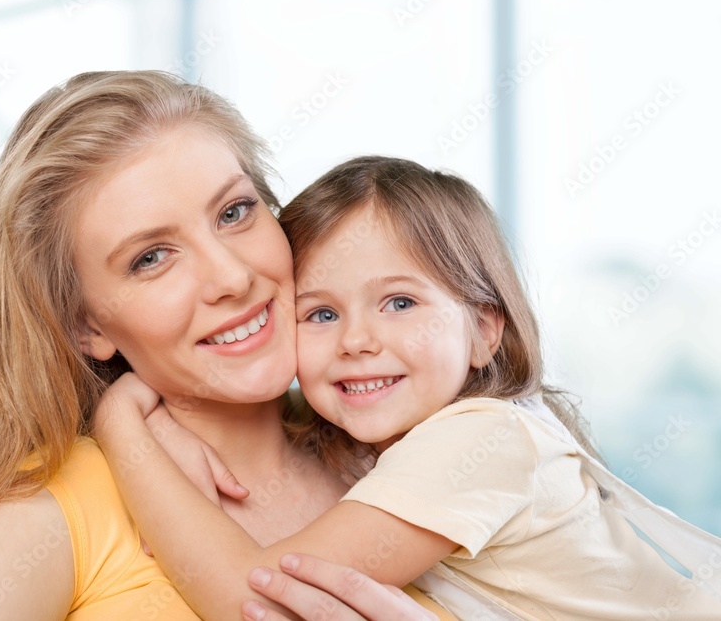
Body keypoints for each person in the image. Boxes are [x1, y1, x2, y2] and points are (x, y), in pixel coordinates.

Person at [0, 73, 451, 620]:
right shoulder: (50, 515)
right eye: (150, 258)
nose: (231, 277)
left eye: (234, 212)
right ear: (88, 327)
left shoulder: (402, 443)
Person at [94, 156, 721, 620]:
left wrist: (122, 425)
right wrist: (173, 423)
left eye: (399, 302)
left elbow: (258, 599)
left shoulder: (480, 440)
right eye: (321, 314)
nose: (357, 341)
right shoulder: (384, 437)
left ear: (482, 331)